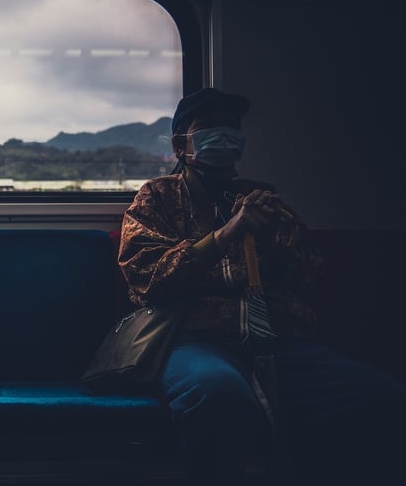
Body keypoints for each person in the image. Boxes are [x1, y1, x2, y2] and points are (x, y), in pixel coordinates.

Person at [118, 87, 405, 486]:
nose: (224, 135)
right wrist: (224, 236)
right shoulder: (157, 198)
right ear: (181, 144)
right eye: (209, 126)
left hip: (279, 339)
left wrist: (273, 240)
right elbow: (147, 277)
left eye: (231, 127)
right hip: (193, 339)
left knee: (380, 397)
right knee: (218, 393)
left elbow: (309, 272)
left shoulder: (262, 199)